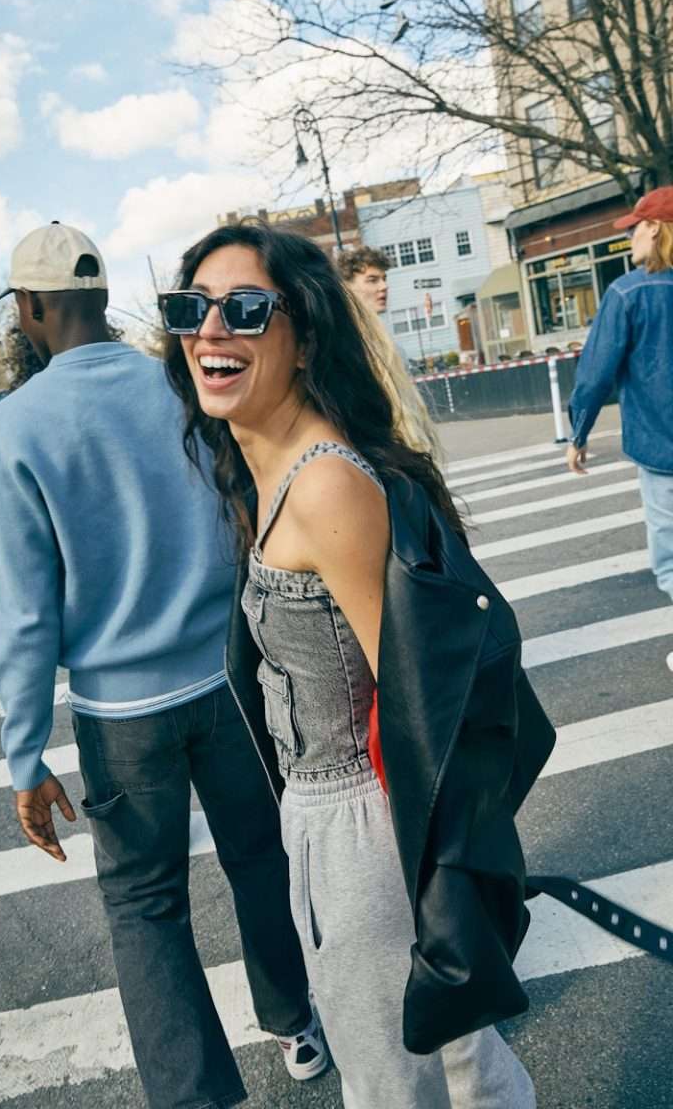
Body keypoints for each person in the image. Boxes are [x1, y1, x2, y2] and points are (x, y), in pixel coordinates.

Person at [161, 222, 555, 1108]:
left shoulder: (325, 481)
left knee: (390, 1081)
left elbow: (425, 704)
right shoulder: (260, 467)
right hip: (323, 817)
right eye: (191, 309)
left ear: (302, 338)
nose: (210, 331)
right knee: (456, 1061)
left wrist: (444, 880)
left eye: (246, 310)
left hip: (365, 828)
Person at [0, 222, 325, 1109]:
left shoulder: (12, 429)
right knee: (259, 856)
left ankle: (196, 1095)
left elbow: (22, 613)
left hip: (118, 714)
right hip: (226, 679)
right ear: (99, 296)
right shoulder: (178, 382)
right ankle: (296, 1023)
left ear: (31, 310)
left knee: (143, 905)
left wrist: (25, 757)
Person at [567, 187, 673, 662]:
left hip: (661, 446)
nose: (629, 237)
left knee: (671, 556)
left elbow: (595, 373)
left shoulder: (628, 291)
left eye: (633, 227)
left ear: (654, 228)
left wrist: (579, 432)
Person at [338, 246, 444, 464]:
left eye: (384, 279)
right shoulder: (344, 341)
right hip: (377, 458)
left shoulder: (384, 341)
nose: (384, 287)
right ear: (346, 287)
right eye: (372, 280)